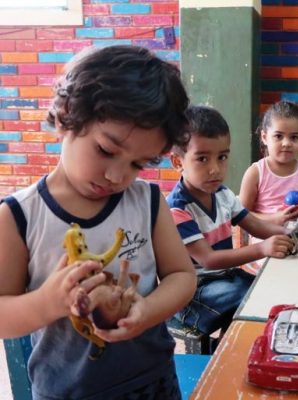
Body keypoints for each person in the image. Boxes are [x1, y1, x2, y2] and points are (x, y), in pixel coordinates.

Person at [0, 45, 196, 399]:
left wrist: (146, 310)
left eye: (139, 164)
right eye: (106, 150)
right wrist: (47, 302)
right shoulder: (19, 216)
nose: (116, 175)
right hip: (68, 391)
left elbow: (183, 277)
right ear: (66, 117)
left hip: (152, 383)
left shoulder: (147, 202)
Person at [167, 105, 296, 340]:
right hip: (193, 293)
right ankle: (231, 350)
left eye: (222, 157)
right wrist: (261, 249)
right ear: (177, 161)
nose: (215, 169)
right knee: (250, 298)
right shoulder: (178, 208)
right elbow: (209, 259)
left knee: (268, 286)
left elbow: (256, 225)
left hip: (225, 278)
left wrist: (290, 232)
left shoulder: (223, 194)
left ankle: (232, 346)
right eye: (202, 159)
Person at [239, 100, 298, 226]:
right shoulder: (255, 173)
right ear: (264, 137)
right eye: (278, 136)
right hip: (264, 241)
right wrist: (273, 219)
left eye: (294, 137)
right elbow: (241, 214)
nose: (286, 143)